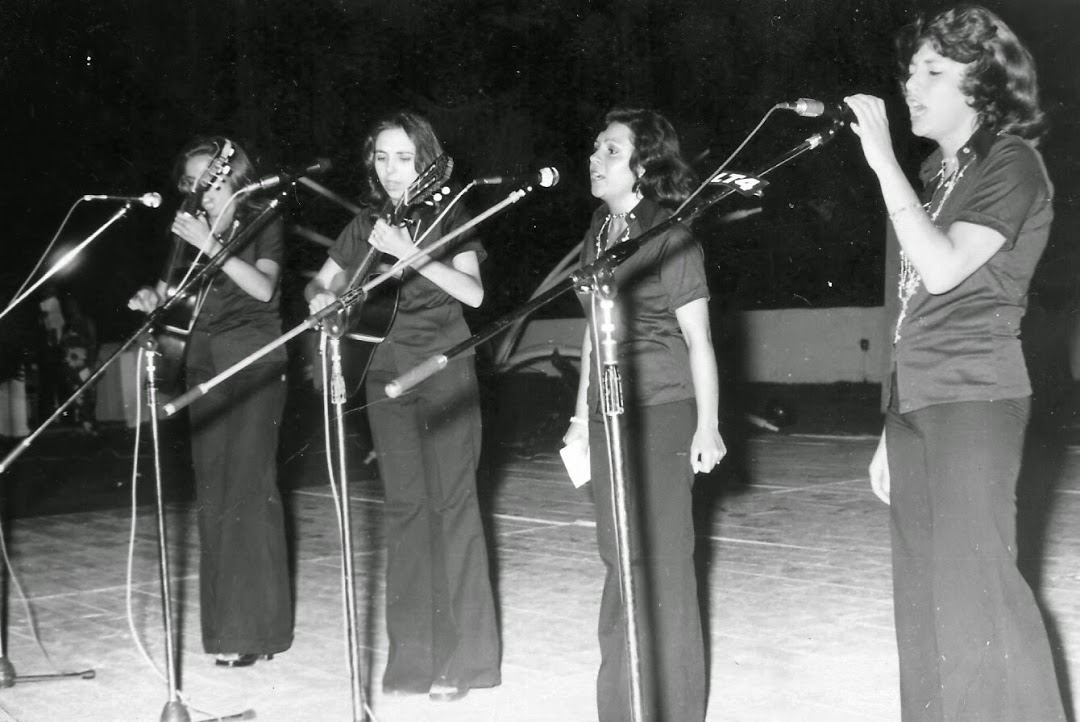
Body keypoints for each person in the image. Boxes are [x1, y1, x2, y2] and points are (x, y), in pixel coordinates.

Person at [846, 6, 1065, 720]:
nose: (911, 82)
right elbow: (907, 306)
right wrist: (891, 417)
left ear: (983, 86)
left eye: (933, 71)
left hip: (975, 396)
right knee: (923, 608)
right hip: (917, 404)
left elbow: (940, 270)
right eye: (911, 68)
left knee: (979, 603)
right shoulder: (936, 172)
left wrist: (880, 163)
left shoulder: (1013, 163)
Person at [305, 110, 500, 701]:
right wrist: (319, 300)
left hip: (443, 373)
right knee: (406, 513)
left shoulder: (450, 212)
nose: (392, 171)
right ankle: (413, 660)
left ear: (427, 160)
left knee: (454, 509)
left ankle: (467, 662)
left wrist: (411, 253)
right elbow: (323, 282)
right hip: (384, 377)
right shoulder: (363, 221)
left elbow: (474, 292)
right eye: (382, 158)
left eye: (404, 158)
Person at [561, 108, 725, 722]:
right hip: (606, 413)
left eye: (610, 150)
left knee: (663, 562)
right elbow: (590, 333)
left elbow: (699, 338)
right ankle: (622, 706)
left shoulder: (670, 232)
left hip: (662, 409)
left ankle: (676, 709)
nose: (594, 159)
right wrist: (580, 418)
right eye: (596, 147)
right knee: (618, 557)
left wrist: (707, 425)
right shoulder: (599, 228)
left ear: (644, 166)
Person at [128, 136, 293, 667]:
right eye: (194, 183)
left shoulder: (262, 218)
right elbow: (170, 294)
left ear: (234, 179)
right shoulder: (189, 232)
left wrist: (210, 245)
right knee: (215, 497)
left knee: (249, 491)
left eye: (212, 180)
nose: (203, 191)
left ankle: (259, 631)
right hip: (202, 365)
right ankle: (226, 629)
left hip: (251, 363)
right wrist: (152, 299)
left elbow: (264, 289)